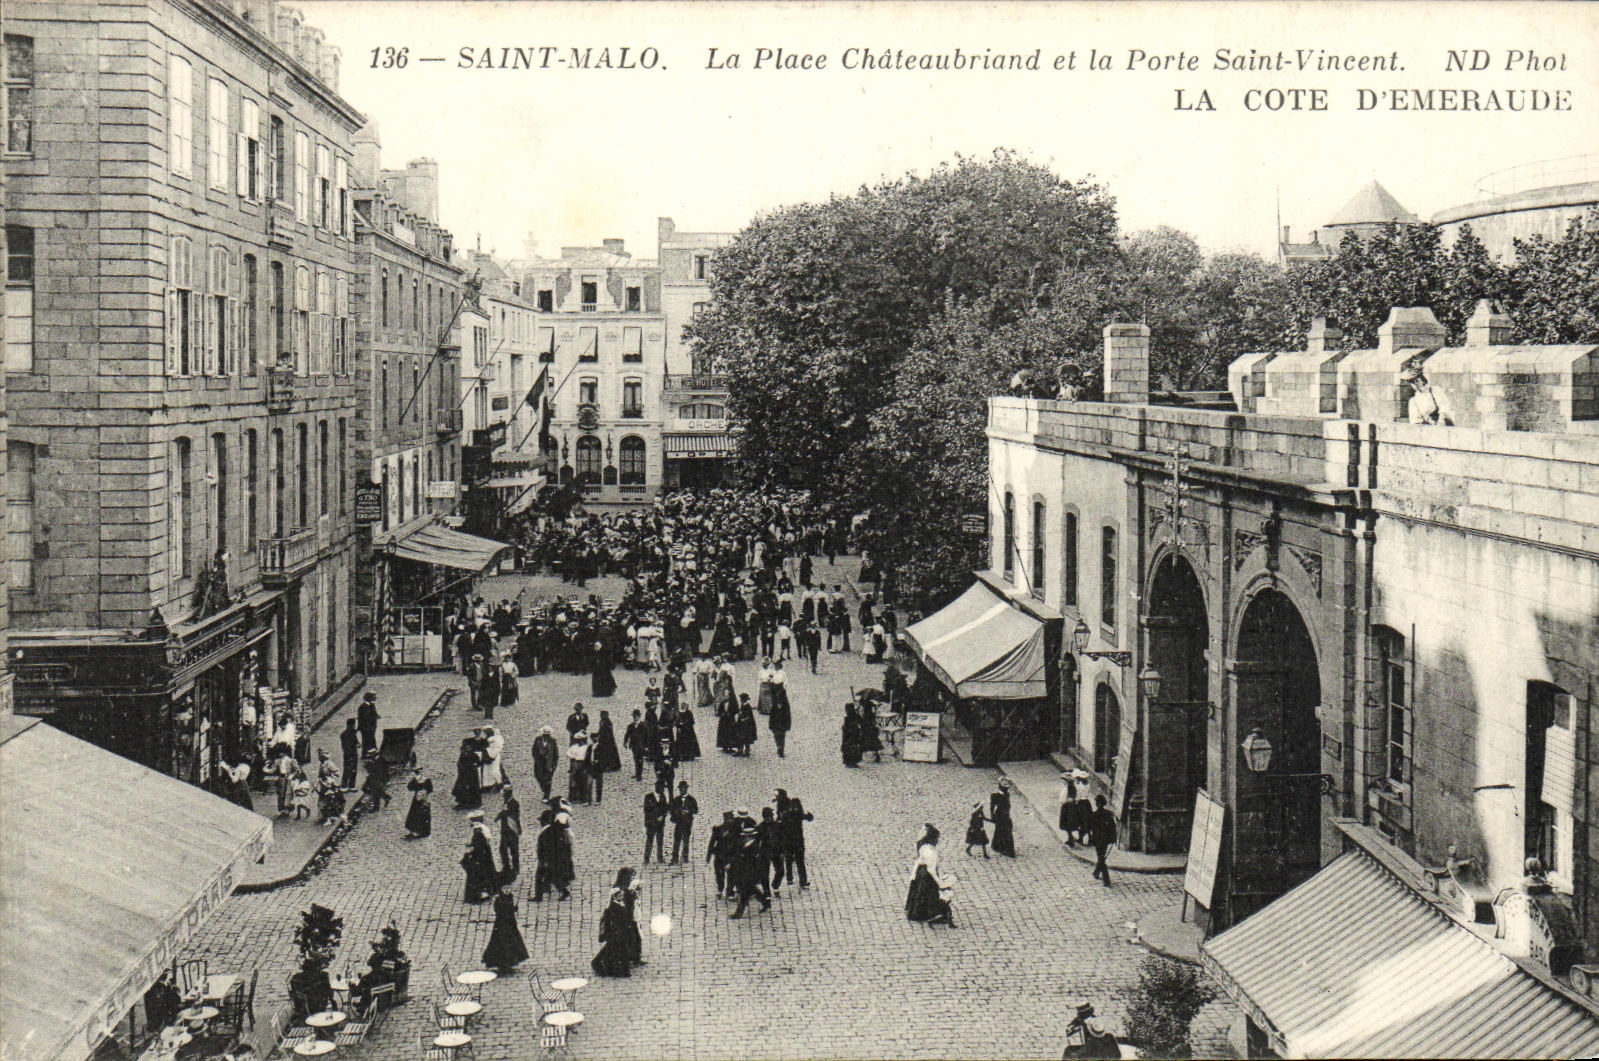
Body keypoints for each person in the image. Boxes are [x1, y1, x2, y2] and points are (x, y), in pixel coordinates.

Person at [592, 869, 641, 977]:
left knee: (625, 944)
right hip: (619, 926)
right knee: (615, 947)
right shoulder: (618, 892)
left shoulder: (624, 890)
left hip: (624, 923)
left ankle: (631, 960)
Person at [905, 825, 955, 926]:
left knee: (921, 893)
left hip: (921, 872)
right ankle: (931, 914)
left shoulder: (923, 846)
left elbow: (921, 860)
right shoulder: (932, 852)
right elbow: (931, 870)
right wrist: (939, 881)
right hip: (928, 876)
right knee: (930, 894)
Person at [728, 811, 771, 919]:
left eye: (746, 836)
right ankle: (765, 903)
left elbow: (757, 861)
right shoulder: (744, 844)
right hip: (744, 871)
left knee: (744, 893)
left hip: (751, 872)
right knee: (752, 889)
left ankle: (739, 913)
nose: (744, 838)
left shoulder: (755, 847)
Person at [482, 886, 529, 971]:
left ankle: (509, 962)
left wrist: (514, 909)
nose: (507, 890)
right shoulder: (500, 900)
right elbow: (499, 911)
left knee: (511, 942)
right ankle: (504, 963)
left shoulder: (510, 898)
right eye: (505, 889)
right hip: (502, 925)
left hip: (510, 924)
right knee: (503, 943)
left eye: (508, 888)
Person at [532, 811, 574, 901]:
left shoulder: (545, 833)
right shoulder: (556, 829)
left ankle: (539, 897)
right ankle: (542, 893)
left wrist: (544, 861)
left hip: (550, 861)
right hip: (557, 860)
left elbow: (545, 849)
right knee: (554, 878)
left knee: (542, 877)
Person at [776, 789, 813, 889]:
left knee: (796, 861)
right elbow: (809, 818)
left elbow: (809, 818)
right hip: (793, 841)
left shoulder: (791, 815)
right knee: (793, 860)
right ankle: (794, 879)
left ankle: (797, 880)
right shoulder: (792, 815)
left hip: (794, 841)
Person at [461, 812, 498, 903]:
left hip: (480, 857)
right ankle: (488, 891)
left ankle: (481, 894)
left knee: (479, 876)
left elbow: (478, 846)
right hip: (485, 856)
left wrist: (471, 850)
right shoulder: (483, 830)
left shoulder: (478, 832)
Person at [706, 810, 736, 899]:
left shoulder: (735, 830)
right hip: (720, 856)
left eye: (732, 819)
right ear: (725, 820)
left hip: (731, 855)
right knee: (719, 875)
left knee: (732, 875)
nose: (730, 821)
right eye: (728, 819)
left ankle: (730, 891)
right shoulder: (718, 830)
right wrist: (708, 856)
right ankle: (720, 888)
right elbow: (712, 843)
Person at [1090, 794, 1117, 887]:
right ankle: (1096, 872)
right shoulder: (1109, 814)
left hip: (1098, 840)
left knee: (1101, 857)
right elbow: (1113, 827)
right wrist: (1114, 839)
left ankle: (1107, 880)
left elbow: (1091, 828)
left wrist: (1091, 838)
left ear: (1097, 804)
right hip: (1105, 840)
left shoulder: (1094, 815)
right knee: (1101, 856)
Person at [669, 780, 698, 865]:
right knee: (677, 839)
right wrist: (677, 811)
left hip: (687, 823)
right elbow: (672, 809)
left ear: (686, 789)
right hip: (679, 822)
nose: (682, 790)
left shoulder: (691, 799)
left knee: (686, 840)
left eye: (684, 789)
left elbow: (696, 810)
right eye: (681, 789)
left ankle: (685, 857)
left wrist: (688, 811)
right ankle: (675, 857)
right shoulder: (676, 799)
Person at [497, 787, 522, 884]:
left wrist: (504, 812)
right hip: (504, 830)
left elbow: (515, 816)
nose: (504, 796)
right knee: (502, 849)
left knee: (513, 850)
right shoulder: (506, 802)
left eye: (505, 793)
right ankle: (506, 866)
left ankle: (516, 868)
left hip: (511, 830)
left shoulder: (514, 803)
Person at [768, 662, 792, 757]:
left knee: (782, 731)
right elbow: (769, 682)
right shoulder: (772, 673)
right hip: (774, 692)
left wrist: (782, 688)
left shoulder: (783, 673)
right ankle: (778, 744)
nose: (776, 667)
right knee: (775, 730)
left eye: (777, 665)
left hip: (781, 691)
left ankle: (781, 746)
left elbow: (785, 683)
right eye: (775, 665)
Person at [453, 737, 483, 810]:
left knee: (472, 788)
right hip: (463, 774)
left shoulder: (473, 755)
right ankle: (463, 803)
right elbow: (460, 764)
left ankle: (473, 803)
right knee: (462, 788)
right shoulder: (463, 755)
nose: (468, 748)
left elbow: (479, 763)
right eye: (466, 747)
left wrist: (474, 766)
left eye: (469, 747)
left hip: (471, 775)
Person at [593, 708, 623, 780]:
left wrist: (599, 737)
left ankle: (608, 766)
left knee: (607, 753)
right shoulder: (602, 722)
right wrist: (596, 735)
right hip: (603, 741)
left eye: (602, 715)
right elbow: (600, 731)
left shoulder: (608, 722)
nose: (601, 716)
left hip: (608, 741)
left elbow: (607, 733)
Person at [531, 725, 559, 801]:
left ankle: (546, 796)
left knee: (548, 780)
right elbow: (534, 751)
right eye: (545, 734)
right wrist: (536, 759)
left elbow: (555, 754)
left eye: (548, 735)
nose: (546, 736)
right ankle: (543, 787)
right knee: (538, 776)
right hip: (539, 763)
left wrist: (554, 765)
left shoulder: (553, 741)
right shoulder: (538, 740)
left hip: (549, 763)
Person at [405, 767, 433, 839]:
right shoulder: (416, 780)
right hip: (417, 800)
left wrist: (427, 800)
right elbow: (410, 788)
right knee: (413, 815)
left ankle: (422, 832)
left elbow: (430, 790)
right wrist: (411, 780)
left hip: (424, 799)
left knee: (423, 816)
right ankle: (412, 831)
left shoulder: (427, 780)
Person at [990, 780, 1016, 858]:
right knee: (1003, 832)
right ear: (1000, 787)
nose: (1006, 790)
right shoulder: (994, 796)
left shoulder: (1007, 795)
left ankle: (998, 846)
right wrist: (992, 816)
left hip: (1006, 816)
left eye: (1007, 788)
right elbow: (992, 807)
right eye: (1005, 788)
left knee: (1004, 831)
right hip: (1000, 817)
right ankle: (1006, 849)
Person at [643, 784, 668, 864]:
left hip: (660, 824)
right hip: (651, 823)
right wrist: (654, 819)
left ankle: (660, 858)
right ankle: (646, 858)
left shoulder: (663, 797)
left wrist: (662, 816)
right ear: (657, 787)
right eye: (661, 788)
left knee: (660, 841)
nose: (662, 790)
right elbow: (646, 810)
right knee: (649, 840)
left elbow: (665, 809)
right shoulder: (648, 797)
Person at [567, 731, 592, 805]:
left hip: (583, 764)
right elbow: (569, 753)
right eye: (578, 740)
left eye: (581, 740)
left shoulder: (586, 748)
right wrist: (573, 758)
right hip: (575, 764)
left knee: (584, 781)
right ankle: (574, 798)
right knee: (573, 781)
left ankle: (584, 799)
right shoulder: (574, 747)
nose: (580, 741)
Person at [624, 710, 650, 780]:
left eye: (636, 716)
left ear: (639, 717)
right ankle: (637, 773)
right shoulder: (630, 726)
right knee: (635, 759)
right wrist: (625, 742)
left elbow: (647, 736)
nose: (635, 718)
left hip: (642, 746)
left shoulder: (644, 725)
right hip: (634, 746)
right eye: (634, 716)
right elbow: (627, 735)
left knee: (640, 760)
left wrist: (647, 746)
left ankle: (639, 775)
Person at [1058, 773, 1082, 846]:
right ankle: (1071, 837)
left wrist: (1065, 802)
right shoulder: (1075, 788)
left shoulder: (1065, 789)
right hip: (1073, 807)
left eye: (1063, 780)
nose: (1062, 782)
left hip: (1066, 808)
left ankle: (1070, 839)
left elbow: (1062, 800)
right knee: (1071, 823)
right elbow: (1078, 798)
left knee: (1066, 823)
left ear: (1066, 781)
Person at [357, 691, 380, 758]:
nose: (376, 698)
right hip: (366, 728)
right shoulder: (363, 707)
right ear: (370, 698)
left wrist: (377, 716)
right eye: (374, 696)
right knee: (366, 740)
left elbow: (374, 713)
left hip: (372, 727)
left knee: (371, 739)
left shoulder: (372, 705)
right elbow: (364, 718)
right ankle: (365, 754)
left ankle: (372, 752)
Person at [339, 717, 360, 790]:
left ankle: (352, 785)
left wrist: (358, 744)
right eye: (353, 725)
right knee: (347, 769)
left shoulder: (353, 733)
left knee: (354, 770)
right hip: (348, 754)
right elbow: (346, 746)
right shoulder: (344, 735)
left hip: (354, 754)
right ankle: (344, 785)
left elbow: (356, 742)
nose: (354, 727)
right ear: (349, 725)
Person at [841, 702, 864, 767]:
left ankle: (850, 761)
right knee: (851, 747)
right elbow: (861, 721)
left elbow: (860, 721)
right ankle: (850, 761)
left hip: (852, 733)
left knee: (851, 747)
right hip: (850, 733)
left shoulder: (852, 716)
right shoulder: (853, 716)